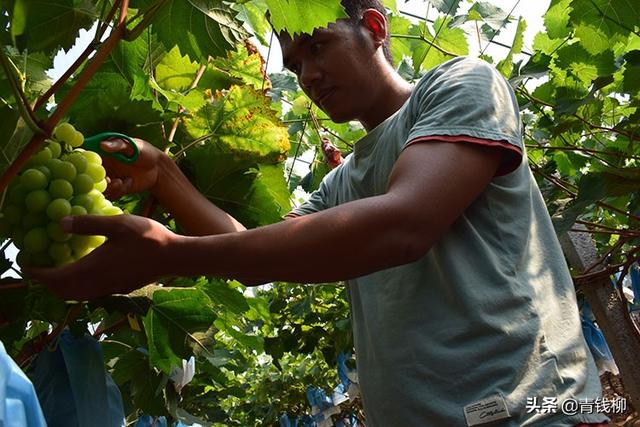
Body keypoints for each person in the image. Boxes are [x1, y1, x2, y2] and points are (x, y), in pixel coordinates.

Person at [30, 1, 609, 425]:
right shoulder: (342, 182)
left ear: (374, 28)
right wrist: (166, 176)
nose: (306, 75)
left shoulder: (462, 85)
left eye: (317, 46)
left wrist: (172, 251)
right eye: (293, 61)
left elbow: (404, 225)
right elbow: (253, 253)